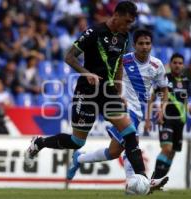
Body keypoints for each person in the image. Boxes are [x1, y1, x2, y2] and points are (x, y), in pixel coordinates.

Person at [24, 1, 157, 185]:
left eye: (131, 22)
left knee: (130, 133)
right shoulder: (94, 32)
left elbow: (118, 65)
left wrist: (119, 92)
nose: (129, 26)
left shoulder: (124, 37)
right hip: (87, 91)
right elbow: (69, 56)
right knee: (77, 142)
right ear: (116, 15)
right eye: (127, 21)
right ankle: (39, 143)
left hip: (108, 92)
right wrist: (87, 74)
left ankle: (143, 178)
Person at [66, 29, 169, 191]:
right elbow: (108, 76)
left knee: (114, 152)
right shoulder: (123, 60)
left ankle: (80, 158)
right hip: (123, 108)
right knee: (132, 142)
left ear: (151, 45)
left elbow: (164, 88)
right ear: (133, 45)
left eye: (147, 43)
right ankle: (137, 183)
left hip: (139, 111)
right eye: (141, 43)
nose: (144, 47)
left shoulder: (157, 65)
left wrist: (162, 108)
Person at [148, 53, 191, 180]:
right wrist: (148, 119)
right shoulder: (164, 79)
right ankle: (153, 180)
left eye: (180, 63)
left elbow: (186, 104)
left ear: (183, 65)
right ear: (170, 64)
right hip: (166, 119)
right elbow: (151, 99)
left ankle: (158, 182)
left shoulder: (186, 82)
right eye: (175, 63)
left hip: (180, 121)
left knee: (172, 153)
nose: (177, 65)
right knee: (167, 149)